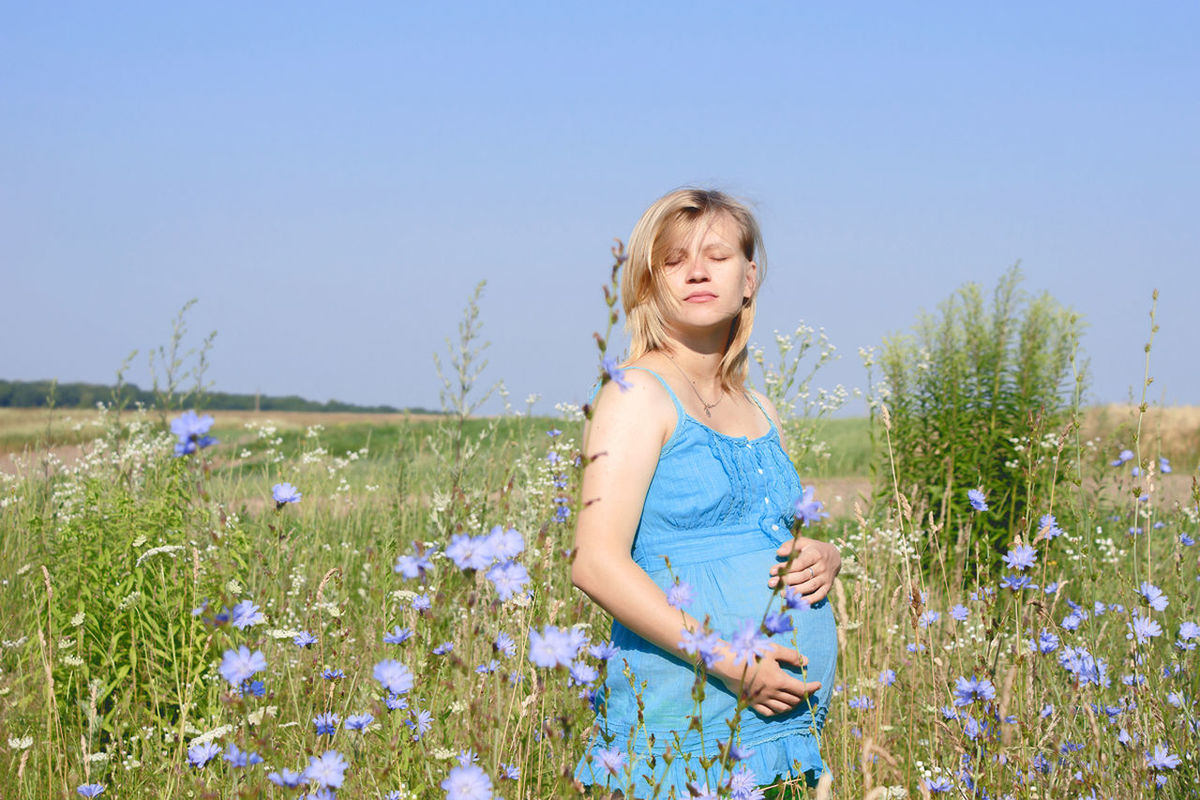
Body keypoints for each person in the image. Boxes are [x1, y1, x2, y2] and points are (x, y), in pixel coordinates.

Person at [572, 188, 841, 798]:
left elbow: (762, 531)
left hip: (781, 728)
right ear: (649, 283)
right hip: (691, 712)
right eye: (673, 260)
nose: (696, 270)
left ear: (749, 279)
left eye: (716, 256)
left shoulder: (759, 407)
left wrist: (826, 556)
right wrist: (729, 661)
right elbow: (594, 562)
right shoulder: (637, 393)